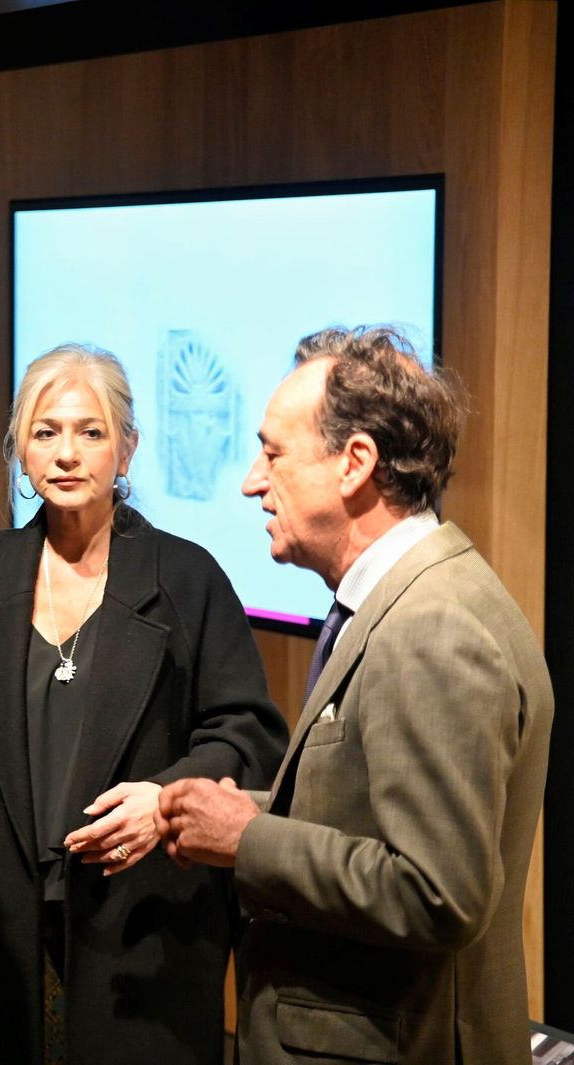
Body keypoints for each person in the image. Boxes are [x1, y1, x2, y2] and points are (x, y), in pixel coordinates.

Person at [156, 326, 554, 1065]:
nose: (250, 480)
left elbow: (439, 890)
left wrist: (248, 839)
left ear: (355, 463)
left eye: (273, 453)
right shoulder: (399, 604)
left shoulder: (433, 624)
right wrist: (256, 809)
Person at [0, 344, 287, 1064]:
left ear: (128, 449)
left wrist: (166, 795)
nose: (66, 453)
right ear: (21, 453)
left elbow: (247, 731)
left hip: (144, 929)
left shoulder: (187, 578)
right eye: (45, 432)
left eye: (90, 432)